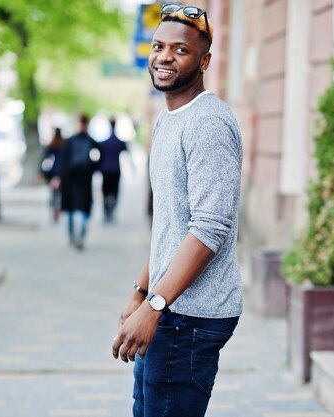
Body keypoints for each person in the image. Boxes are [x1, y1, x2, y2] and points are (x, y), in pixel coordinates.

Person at [111, 5, 243, 417]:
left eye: (180, 50)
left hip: (190, 316)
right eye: (158, 46)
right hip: (169, 307)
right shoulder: (168, 121)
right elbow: (170, 225)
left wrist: (155, 306)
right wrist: (140, 292)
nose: (164, 56)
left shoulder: (208, 123)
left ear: (203, 61)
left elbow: (208, 228)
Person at [58, 114, 100, 250]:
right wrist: (93, 168)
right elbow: (99, 157)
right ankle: (80, 236)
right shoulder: (91, 141)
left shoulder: (70, 141)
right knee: (83, 208)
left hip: (71, 177)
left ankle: (73, 236)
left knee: (71, 208)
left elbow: (63, 161)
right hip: (84, 178)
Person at [97, 116, 128, 223]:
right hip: (115, 169)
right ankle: (112, 210)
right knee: (114, 191)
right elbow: (126, 152)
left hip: (105, 169)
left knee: (105, 191)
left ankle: (106, 212)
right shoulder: (119, 142)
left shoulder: (104, 143)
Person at [40, 127, 65, 222]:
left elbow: (45, 159)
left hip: (53, 172)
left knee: (54, 193)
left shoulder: (51, 145)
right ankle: (57, 207)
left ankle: (55, 207)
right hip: (61, 172)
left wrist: (42, 171)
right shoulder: (63, 144)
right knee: (59, 193)